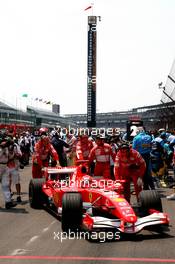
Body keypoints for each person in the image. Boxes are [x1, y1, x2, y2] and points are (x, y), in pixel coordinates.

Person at [0, 136, 17, 209]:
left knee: (6, 185)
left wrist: (11, 150)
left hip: (5, 167)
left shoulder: (7, 148)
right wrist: (3, 148)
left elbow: (10, 157)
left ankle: (8, 202)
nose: (5, 143)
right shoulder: (1, 148)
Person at [8, 137, 23, 202]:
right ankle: (9, 194)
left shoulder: (16, 146)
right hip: (7, 167)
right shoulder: (3, 146)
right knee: (8, 181)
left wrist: (15, 155)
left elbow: (20, 154)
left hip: (15, 166)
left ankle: (18, 196)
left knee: (16, 181)